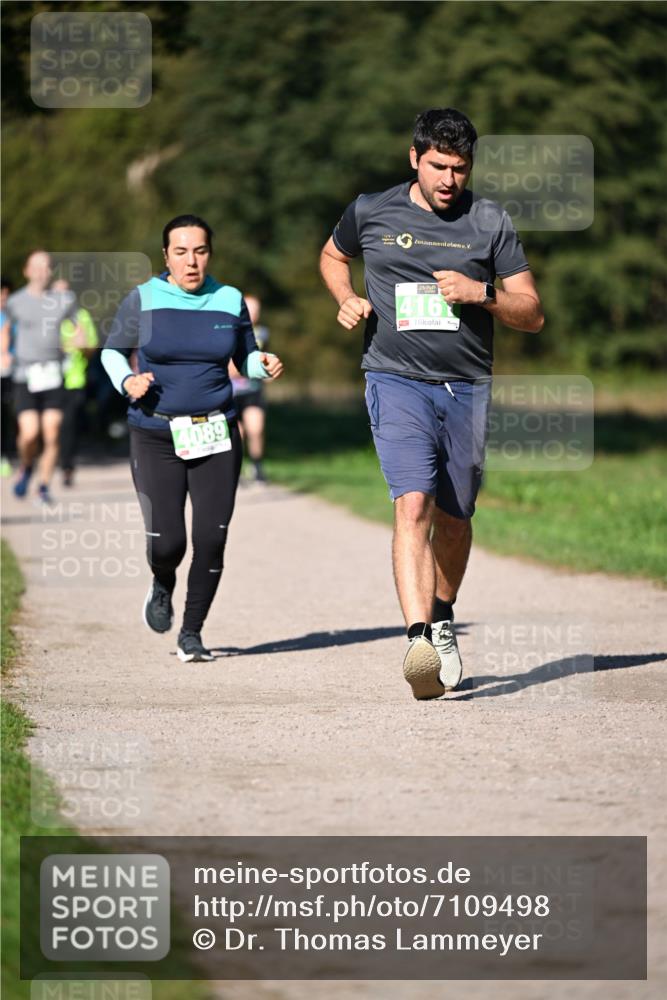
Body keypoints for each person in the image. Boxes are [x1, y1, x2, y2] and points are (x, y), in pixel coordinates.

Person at [320, 108, 544, 700]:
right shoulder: (371, 210)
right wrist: (345, 297)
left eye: (460, 169)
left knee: (455, 516)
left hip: (467, 386)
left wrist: (482, 293)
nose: (450, 179)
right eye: (439, 166)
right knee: (412, 502)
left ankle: (443, 614)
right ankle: (418, 638)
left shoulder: (490, 221)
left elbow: (532, 313)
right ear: (414, 158)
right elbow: (332, 255)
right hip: (395, 378)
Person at [101, 214, 284, 662]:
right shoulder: (143, 298)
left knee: (212, 536)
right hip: (155, 433)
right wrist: (127, 381)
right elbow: (110, 351)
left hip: (217, 431)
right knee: (168, 544)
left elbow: (245, 358)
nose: (191, 262)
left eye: (200, 251)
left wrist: (266, 365)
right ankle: (163, 581)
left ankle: (192, 633)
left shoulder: (229, 299)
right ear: (166, 256)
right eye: (181, 252)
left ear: (210, 255)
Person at [1, 251, 82, 504]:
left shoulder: (64, 300)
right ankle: (26, 467)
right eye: (36, 266)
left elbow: (77, 325)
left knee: (52, 431)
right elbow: (5, 327)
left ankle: (43, 486)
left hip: (53, 374)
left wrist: (78, 339)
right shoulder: (15, 301)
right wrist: (4, 351)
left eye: (46, 266)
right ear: (26, 270)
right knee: (29, 434)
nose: (41, 271)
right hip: (25, 375)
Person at [51, 279, 99, 487]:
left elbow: (92, 349)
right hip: (46, 380)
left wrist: (83, 345)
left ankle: (67, 467)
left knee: (68, 425)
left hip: (74, 379)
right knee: (50, 426)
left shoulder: (81, 317)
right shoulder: (44, 318)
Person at [229, 294, 270, 483]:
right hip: (232, 392)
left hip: (253, 391)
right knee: (238, 434)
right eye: (249, 308)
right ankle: (234, 470)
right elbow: (228, 366)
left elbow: (267, 361)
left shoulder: (262, 334)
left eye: (256, 309)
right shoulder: (229, 330)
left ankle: (257, 468)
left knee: (256, 429)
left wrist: (269, 371)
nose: (253, 313)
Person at [1, 276, 15, 476]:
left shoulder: (14, 316)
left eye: (6, 294)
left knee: (4, 415)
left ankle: (4, 455)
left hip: (9, 372)